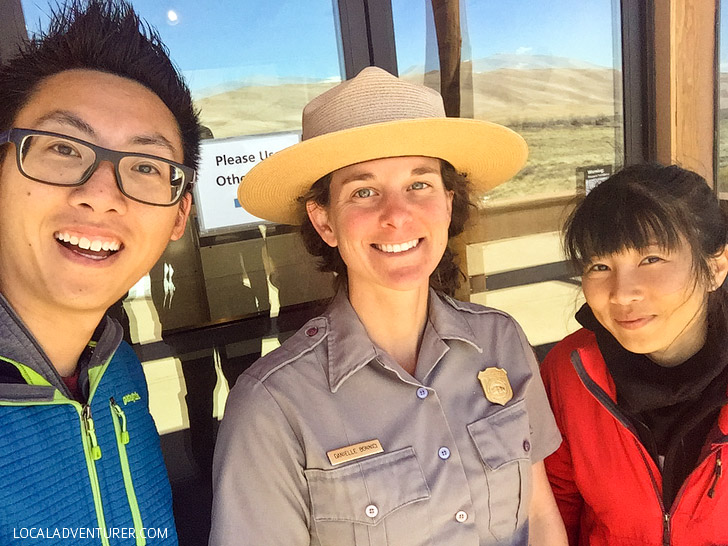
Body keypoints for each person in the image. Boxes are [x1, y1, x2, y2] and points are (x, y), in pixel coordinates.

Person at [210, 66, 567, 546]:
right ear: (325, 223)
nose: (397, 215)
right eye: (364, 191)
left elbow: (540, 517)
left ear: (446, 202)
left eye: (419, 184)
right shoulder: (273, 406)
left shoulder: (500, 340)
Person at [0, 0, 201, 543]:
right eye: (63, 148)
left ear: (178, 215)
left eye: (144, 166)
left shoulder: (116, 368)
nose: (100, 196)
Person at [540, 164, 728, 545]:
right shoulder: (571, 371)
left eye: (651, 260)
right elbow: (555, 511)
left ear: (715, 267)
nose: (622, 293)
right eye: (599, 266)